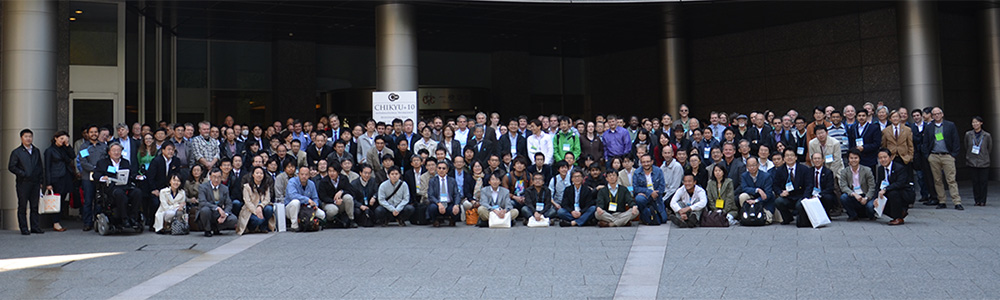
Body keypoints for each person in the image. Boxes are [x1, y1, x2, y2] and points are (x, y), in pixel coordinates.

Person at [94, 142, 144, 227]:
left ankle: (133, 217)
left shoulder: (125, 162)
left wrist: (137, 176)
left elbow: (131, 174)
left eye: (118, 150)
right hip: (111, 188)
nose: (116, 153)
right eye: (114, 151)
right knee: (120, 194)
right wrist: (103, 177)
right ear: (109, 152)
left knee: (137, 192)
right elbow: (96, 174)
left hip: (125, 186)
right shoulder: (102, 163)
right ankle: (124, 218)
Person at [923, 107, 962, 210]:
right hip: (934, 156)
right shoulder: (929, 127)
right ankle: (942, 201)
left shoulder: (950, 125)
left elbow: (956, 141)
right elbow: (925, 142)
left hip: (947, 156)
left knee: (951, 180)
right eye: (934, 114)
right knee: (937, 180)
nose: (936, 116)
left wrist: (953, 155)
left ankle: (956, 201)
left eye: (938, 113)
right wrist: (928, 156)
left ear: (942, 114)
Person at [8, 129, 45, 235]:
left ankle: (35, 227)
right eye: (26, 136)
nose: (28, 138)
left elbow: (40, 166)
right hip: (23, 182)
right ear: (21, 138)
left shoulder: (36, 151)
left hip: (35, 182)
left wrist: (41, 180)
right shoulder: (17, 152)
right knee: (23, 205)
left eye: (30, 136)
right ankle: (24, 228)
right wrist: (23, 174)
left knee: (34, 206)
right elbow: (11, 167)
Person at [44, 131, 76, 232]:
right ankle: (55, 222)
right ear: (55, 138)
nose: (63, 141)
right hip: (56, 177)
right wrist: (48, 183)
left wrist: (67, 145)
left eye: (65, 139)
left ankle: (57, 220)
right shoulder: (50, 151)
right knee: (56, 200)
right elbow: (47, 167)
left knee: (62, 200)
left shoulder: (65, 149)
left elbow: (72, 156)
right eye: (61, 139)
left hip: (66, 177)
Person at [77, 125, 107, 231]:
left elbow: (106, 160)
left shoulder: (103, 146)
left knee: (100, 200)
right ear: (87, 134)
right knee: (88, 201)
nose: (93, 134)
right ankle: (87, 223)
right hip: (87, 178)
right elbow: (83, 162)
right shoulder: (84, 147)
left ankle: (98, 222)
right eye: (91, 132)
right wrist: (95, 169)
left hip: (100, 178)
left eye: (95, 132)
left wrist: (100, 171)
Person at [145, 142, 181, 229]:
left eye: (172, 150)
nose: (171, 152)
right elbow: (150, 176)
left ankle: (170, 224)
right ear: (163, 150)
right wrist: (154, 189)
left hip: (170, 188)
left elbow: (178, 176)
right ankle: (153, 224)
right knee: (155, 202)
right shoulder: (156, 161)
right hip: (157, 188)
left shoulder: (176, 161)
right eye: (169, 149)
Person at [773, 149, 810, 225]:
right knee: (778, 201)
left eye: (791, 155)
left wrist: (806, 197)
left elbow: (809, 185)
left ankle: (802, 219)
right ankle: (787, 218)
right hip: (788, 197)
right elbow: (775, 185)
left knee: (800, 205)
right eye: (787, 156)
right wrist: (781, 192)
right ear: (784, 158)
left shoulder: (804, 169)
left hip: (800, 195)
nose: (789, 158)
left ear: (796, 157)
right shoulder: (780, 170)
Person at [839, 149, 877, 221]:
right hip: (853, 196)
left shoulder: (867, 170)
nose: (853, 160)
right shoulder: (844, 172)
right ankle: (853, 215)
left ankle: (870, 215)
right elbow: (843, 186)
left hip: (866, 195)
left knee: (870, 208)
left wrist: (866, 198)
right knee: (843, 197)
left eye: (856, 158)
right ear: (848, 159)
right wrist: (853, 194)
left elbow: (872, 187)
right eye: (851, 158)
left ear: (859, 159)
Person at [197, 168, 237, 237]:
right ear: (210, 177)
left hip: (219, 213)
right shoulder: (203, 187)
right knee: (205, 210)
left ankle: (217, 228)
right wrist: (217, 208)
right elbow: (202, 202)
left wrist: (225, 214)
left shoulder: (224, 188)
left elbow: (229, 204)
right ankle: (207, 229)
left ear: (221, 177)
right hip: (209, 211)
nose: (216, 180)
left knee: (233, 219)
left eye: (218, 177)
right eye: (214, 177)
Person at [285, 166, 326, 231]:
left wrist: (315, 205)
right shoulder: (292, 182)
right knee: (295, 202)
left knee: (322, 214)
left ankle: (313, 224)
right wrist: (307, 200)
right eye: (302, 174)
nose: (304, 176)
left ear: (309, 175)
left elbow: (315, 197)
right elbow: (292, 195)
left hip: (306, 208)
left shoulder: (311, 184)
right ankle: (294, 225)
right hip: (291, 209)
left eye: (306, 174)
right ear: (298, 174)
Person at [876, 149, 910, 225]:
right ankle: (900, 213)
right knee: (873, 204)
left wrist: (885, 189)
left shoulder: (899, 167)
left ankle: (898, 218)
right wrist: (876, 197)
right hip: (887, 192)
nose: (883, 160)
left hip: (903, 193)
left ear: (890, 157)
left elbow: (900, 183)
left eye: (885, 157)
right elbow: (878, 184)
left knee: (893, 193)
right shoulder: (880, 169)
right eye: (880, 158)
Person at [236, 166, 274, 235]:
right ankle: (252, 228)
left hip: (262, 208)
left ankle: (263, 227)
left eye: (261, 173)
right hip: (250, 210)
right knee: (258, 220)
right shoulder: (247, 187)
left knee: (269, 209)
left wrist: (260, 206)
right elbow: (247, 202)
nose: (259, 175)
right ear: (253, 175)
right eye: (257, 173)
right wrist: (256, 211)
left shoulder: (266, 186)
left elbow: (267, 199)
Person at [632, 154, 668, 225]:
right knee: (639, 199)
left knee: (663, 220)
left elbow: (662, 187)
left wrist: (654, 194)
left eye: (648, 161)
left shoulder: (658, 171)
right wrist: (649, 192)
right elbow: (636, 188)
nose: (646, 164)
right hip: (644, 197)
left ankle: (648, 216)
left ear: (652, 161)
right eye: (644, 162)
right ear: (641, 163)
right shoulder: (637, 172)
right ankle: (645, 216)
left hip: (657, 197)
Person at [738, 157, 774, 223]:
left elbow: (768, 194)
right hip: (750, 198)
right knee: (742, 196)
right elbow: (744, 188)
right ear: (746, 166)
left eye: (754, 165)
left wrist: (756, 201)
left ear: (758, 165)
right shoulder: (744, 176)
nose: (752, 167)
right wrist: (757, 190)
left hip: (764, 203)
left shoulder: (766, 176)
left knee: (766, 221)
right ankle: (745, 213)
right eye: (749, 165)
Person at [965, 116, 991, 206]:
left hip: (984, 162)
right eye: (973, 122)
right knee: (975, 182)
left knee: (983, 182)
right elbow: (966, 146)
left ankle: (983, 200)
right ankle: (977, 200)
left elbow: (989, 148)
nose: (975, 124)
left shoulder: (986, 135)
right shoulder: (968, 134)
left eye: (977, 122)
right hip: (972, 161)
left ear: (981, 123)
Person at [803, 152, 837, 219]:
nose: (817, 160)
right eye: (815, 159)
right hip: (812, 193)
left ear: (823, 160)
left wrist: (818, 195)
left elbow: (829, 188)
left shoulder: (828, 172)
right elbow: (808, 185)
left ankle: (826, 214)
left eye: (819, 158)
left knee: (828, 197)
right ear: (812, 160)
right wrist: (806, 197)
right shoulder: (809, 171)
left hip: (823, 194)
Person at [427, 161, 461, 227]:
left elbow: (457, 194)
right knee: (432, 208)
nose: (441, 170)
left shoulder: (452, 180)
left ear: (447, 170)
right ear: (436, 169)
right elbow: (430, 195)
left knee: (456, 209)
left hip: (449, 202)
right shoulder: (432, 181)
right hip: (437, 203)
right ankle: (435, 220)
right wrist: (439, 203)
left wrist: (456, 205)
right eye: (439, 168)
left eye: (443, 168)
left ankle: (452, 220)